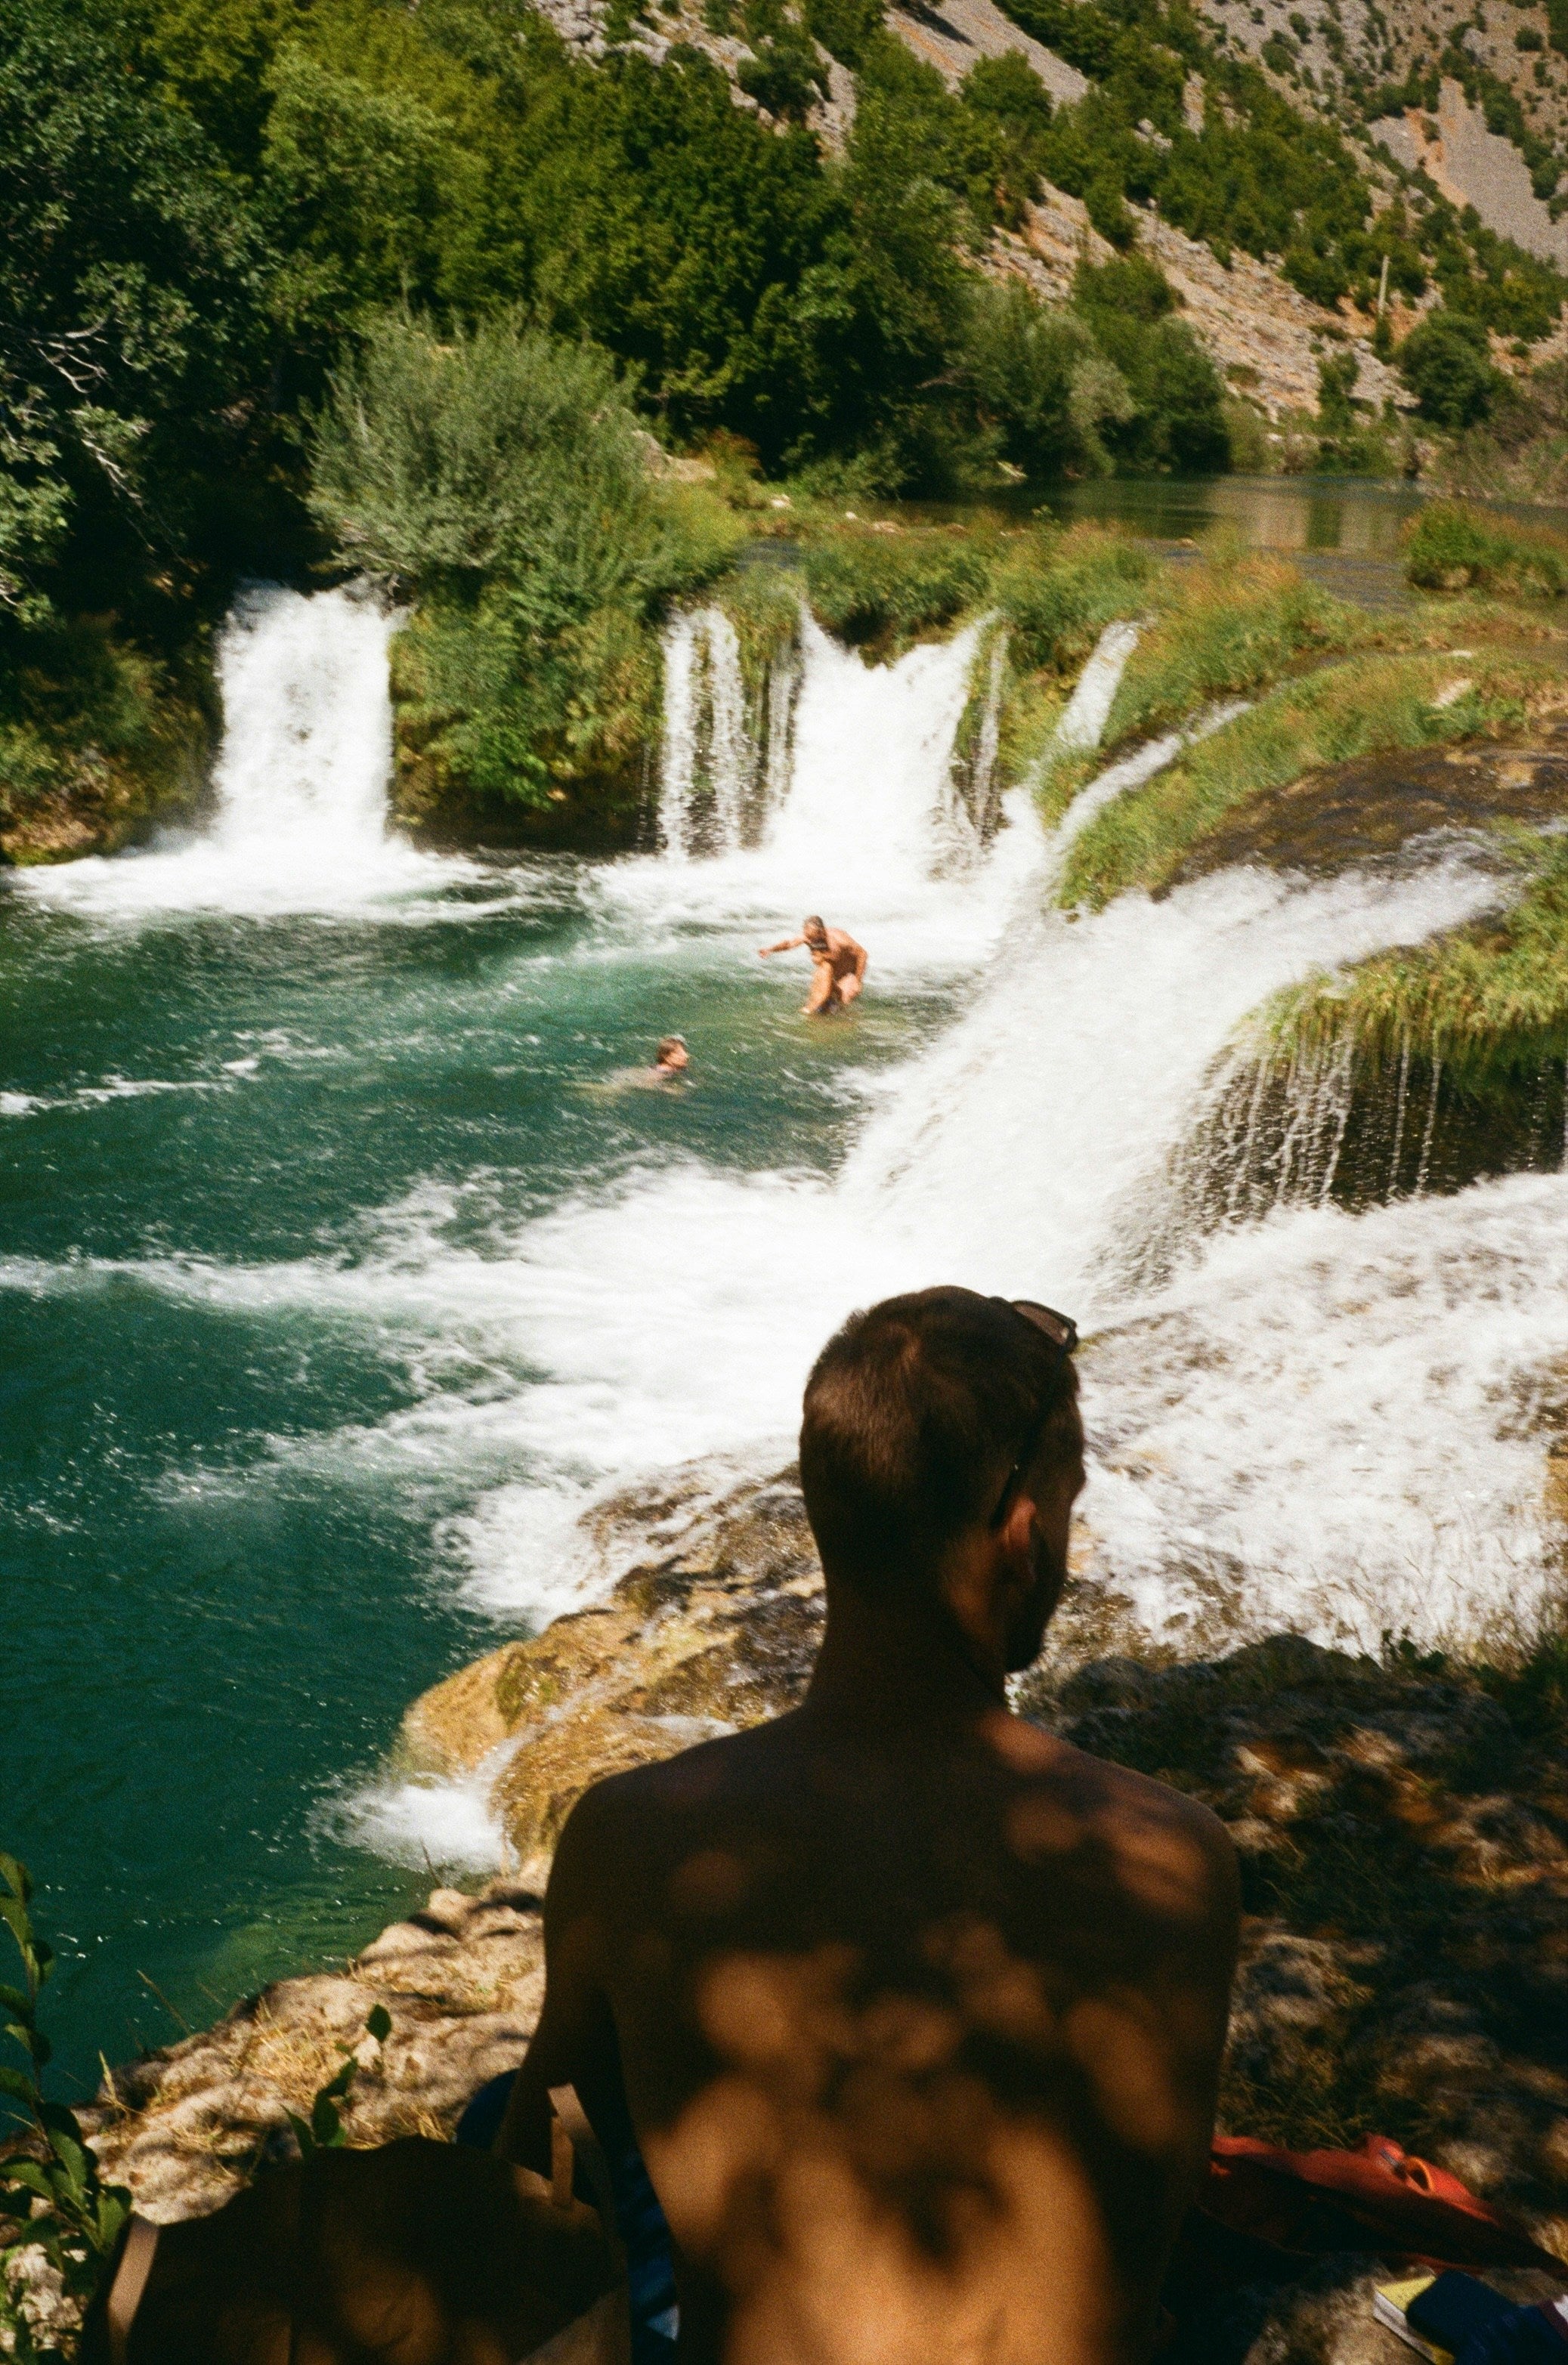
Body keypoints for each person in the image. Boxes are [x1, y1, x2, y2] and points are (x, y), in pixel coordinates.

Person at [497, 1287, 1241, 2365]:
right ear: (1021, 1537)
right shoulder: (1166, 1854)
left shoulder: (633, 1839)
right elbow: (1142, 2228)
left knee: (520, 2096)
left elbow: (533, 2193)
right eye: (1066, 1507)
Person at [758, 916, 868, 1016]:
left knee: (844, 1003)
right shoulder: (807, 937)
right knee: (825, 1006)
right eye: (807, 936)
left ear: (822, 932)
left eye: (812, 937)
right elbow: (789, 944)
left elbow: (862, 954)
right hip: (832, 974)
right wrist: (770, 949)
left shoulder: (839, 938)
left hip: (849, 975)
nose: (809, 941)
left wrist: (857, 981)